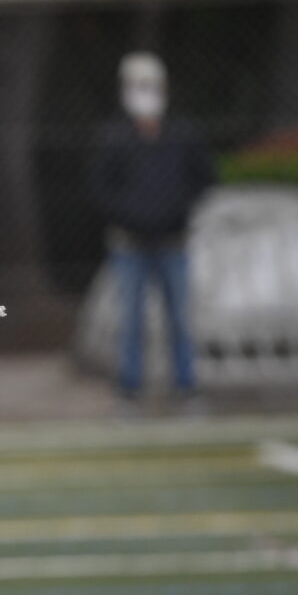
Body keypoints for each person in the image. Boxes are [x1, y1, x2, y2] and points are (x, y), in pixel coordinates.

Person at [88, 51, 215, 406]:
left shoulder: (182, 134)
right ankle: (129, 388)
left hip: (174, 241)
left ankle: (186, 387)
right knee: (130, 320)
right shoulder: (114, 137)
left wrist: (176, 211)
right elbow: (100, 188)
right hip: (129, 244)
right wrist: (131, 215)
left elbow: (204, 178)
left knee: (180, 319)